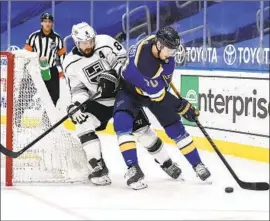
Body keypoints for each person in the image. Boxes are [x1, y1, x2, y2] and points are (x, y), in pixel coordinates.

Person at [63, 22, 182, 186]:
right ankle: (98, 166)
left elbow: (125, 62)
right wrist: (76, 104)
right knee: (82, 122)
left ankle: (167, 163)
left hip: (122, 94)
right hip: (98, 101)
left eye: (91, 41)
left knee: (143, 131)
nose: (89, 45)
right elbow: (78, 89)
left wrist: (112, 74)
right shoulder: (69, 63)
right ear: (76, 42)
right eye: (85, 43)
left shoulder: (105, 42)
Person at [113, 26, 211, 190]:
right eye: (169, 49)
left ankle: (197, 164)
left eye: (173, 50)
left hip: (154, 91)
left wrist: (179, 106)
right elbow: (156, 93)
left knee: (175, 127)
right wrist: (182, 106)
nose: (171, 54)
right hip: (130, 91)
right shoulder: (143, 62)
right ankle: (133, 168)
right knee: (122, 123)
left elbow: (162, 86)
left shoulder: (161, 51)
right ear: (158, 45)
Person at [15, 13, 66, 127]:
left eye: (49, 22)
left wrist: (64, 70)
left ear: (52, 23)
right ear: (41, 23)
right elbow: (26, 54)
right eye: (45, 21)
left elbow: (62, 55)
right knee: (25, 95)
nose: (47, 24)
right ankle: (17, 119)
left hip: (51, 70)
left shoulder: (57, 38)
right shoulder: (34, 37)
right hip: (35, 70)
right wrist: (24, 69)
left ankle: (46, 121)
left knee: (55, 96)